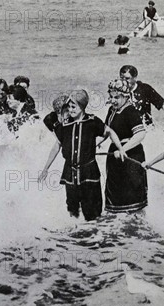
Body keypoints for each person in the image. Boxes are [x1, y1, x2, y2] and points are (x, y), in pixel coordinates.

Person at [39, 90, 125, 221]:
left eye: (74, 107)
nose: (71, 110)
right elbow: (57, 145)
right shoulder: (64, 125)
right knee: (73, 210)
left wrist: (121, 149)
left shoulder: (92, 122)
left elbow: (110, 132)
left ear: (83, 107)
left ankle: (95, 237)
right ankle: (75, 236)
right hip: (70, 174)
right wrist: (46, 169)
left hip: (89, 174)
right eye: (69, 107)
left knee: (92, 212)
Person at [104, 78, 148, 213]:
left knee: (133, 196)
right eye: (111, 97)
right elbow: (107, 132)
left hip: (131, 156)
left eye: (117, 97)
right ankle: (116, 227)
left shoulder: (130, 111)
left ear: (125, 96)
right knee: (115, 196)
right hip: (115, 157)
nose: (113, 100)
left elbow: (140, 134)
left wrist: (123, 149)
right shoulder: (112, 110)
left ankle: (137, 225)